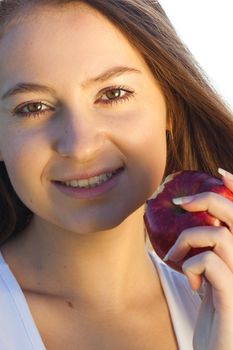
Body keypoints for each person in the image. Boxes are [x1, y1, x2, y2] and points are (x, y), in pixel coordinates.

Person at [0, 0, 232, 349]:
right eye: (33, 107)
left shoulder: (223, 303)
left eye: (113, 94)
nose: (80, 146)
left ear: (169, 106)